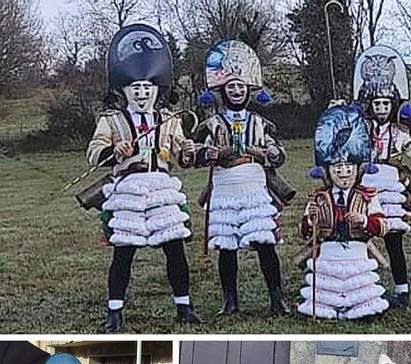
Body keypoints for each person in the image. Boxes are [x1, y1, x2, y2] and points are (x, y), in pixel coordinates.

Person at [85, 23, 200, 332]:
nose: (141, 94)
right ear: (124, 91)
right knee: (124, 251)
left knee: (175, 248)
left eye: (147, 88)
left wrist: (186, 149)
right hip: (128, 189)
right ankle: (114, 311)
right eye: (135, 88)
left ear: (157, 91)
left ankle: (183, 306)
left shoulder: (169, 120)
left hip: (161, 186)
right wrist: (114, 150)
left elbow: (180, 156)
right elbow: (94, 153)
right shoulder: (111, 120)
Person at [192, 39, 291, 317]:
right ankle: (230, 300)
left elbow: (279, 154)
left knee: (264, 243)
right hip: (224, 185)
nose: (236, 91)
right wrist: (206, 153)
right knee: (227, 245)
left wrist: (270, 151)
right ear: (222, 90)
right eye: (231, 87)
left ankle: (276, 299)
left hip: (253, 184)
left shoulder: (261, 123)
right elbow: (192, 156)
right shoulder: (210, 124)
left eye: (240, 87)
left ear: (249, 90)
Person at [297, 104, 389, 320]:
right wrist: (311, 221)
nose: (344, 173)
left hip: (357, 256)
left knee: (363, 299)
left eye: (349, 168)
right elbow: (305, 232)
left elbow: (383, 226)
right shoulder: (318, 197)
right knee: (324, 300)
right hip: (328, 256)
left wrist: (365, 220)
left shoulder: (367, 196)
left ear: (358, 170)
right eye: (338, 168)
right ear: (328, 171)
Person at [353, 45, 411, 309]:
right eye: (377, 104)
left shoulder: (401, 132)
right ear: (370, 105)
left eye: (385, 104)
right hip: (366, 187)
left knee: (393, 240)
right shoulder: (360, 129)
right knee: (361, 238)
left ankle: (402, 291)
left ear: (392, 106)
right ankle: (366, 289)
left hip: (391, 188)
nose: (381, 107)